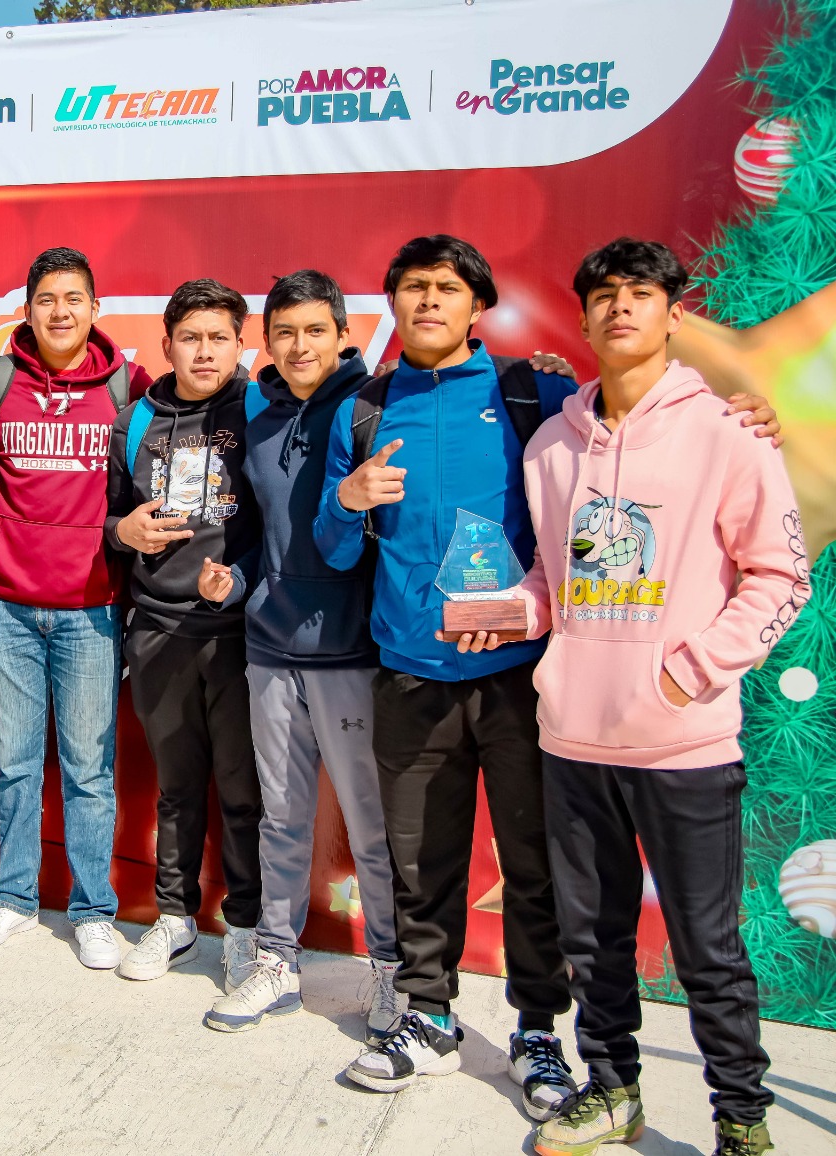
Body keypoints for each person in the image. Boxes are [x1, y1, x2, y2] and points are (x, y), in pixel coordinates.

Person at [314, 235, 782, 1116]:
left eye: (447, 287)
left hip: (522, 681)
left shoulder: (534, 398)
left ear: (477, 305)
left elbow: (619, 447)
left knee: (534, 871)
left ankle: (537, 1030)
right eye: (411, 287)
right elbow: (335, 554)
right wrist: (347, 501)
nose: (427, 301)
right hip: (409, 675)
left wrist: (747, 415)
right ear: (392, 303)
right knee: (421, 865)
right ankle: (429, 1016)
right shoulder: (363, 410)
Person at [503, 239, 802, 1156]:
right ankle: (612, 1090)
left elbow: (779, 574)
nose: (620, 307)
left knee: (708, 949)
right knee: (593, 940)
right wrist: (515, 613)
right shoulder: (552, 445)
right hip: (573, 739)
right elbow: (555, 579)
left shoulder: (727, 433)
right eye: (603, 294)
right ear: (585, 317)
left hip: (684, 745)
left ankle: (741, 1119)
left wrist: (691, 671)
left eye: (640, 292)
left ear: (674, 313)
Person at [195, 271, 400, 1038]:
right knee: (280, 818)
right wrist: (238, 579)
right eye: (284, 332)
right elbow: (261, 538)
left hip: (351, 654)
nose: (299, 345)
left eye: (315, 330)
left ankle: (392, 972)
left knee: (370, 826)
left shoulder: (372, 406)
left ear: (343, 334)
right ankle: (277, 963)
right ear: (267, 341)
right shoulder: (259, 417)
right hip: (270, 650)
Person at [0, 247, 151, 970]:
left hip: (91, 609)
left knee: (89, 770)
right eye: (46, 299)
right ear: (28, 310)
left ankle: (92, 909)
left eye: (74, 299)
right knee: (15, 764)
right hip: (6, 606)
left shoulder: (130, 386)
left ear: (95, 309)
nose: (60, 312)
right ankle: (12, 897)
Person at [105, 279, 264, 990]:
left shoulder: (263, 410)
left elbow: (285, 521)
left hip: (241, 637)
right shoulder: (136, 420)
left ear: (240, 344)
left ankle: (248, 928)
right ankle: (175, 917)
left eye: (218, 338)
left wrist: (241, 579)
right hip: (158, 630)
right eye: (190, 338)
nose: (204, 352)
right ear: (167, 344)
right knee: (176, 788)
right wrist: (124, 531)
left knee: (243, 790)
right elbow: (108, 520)